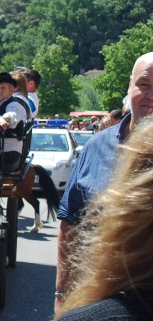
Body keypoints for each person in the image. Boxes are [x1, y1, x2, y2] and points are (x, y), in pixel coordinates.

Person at [55, 52, 153, 313]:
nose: (151, 95)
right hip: (94, 298)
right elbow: (70, 224)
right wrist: (61, 293)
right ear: (129, 86)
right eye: (144, 84)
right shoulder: (96, 147)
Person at [0, 72, 30, 174]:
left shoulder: (15, 104)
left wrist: (3, 119)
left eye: (3, 88)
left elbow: (12, 114)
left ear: (11, 89)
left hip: (8, 151)